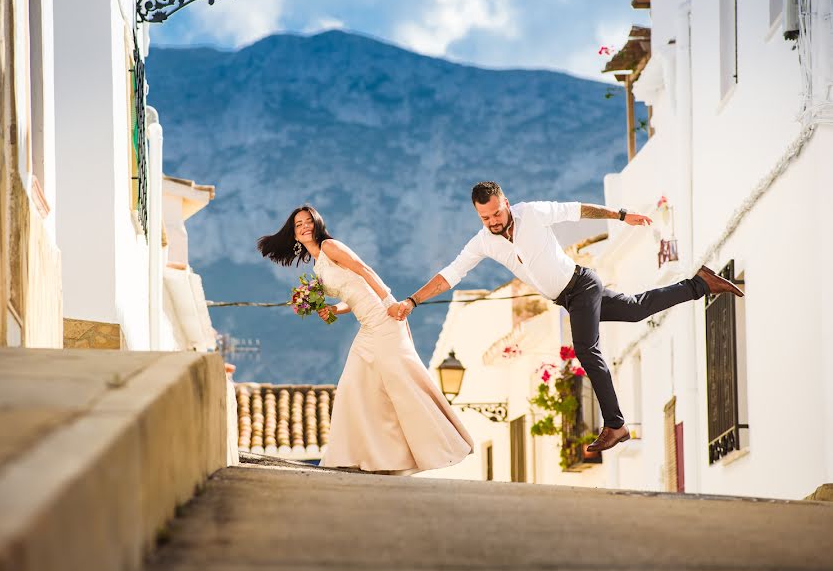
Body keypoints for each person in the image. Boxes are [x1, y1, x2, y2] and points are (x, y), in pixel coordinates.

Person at [393, 181, 743, 453]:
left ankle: (616, 425)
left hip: (581, 285)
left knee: (586, 349)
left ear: (506, 203)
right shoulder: (484, 242)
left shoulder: (532, 213)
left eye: (496, 214)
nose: (493, 222)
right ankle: (701, 284)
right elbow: (450, 274)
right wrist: (412, 300)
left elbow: (578, 210)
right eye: (485, 218)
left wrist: (621, 216)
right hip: (567, 297)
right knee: (637, 310)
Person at [257, 205, 473, 474]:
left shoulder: (331, 247)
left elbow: (364, 270)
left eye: (308, 221)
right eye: (298, 224)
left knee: (405, 385)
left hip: (385, 319)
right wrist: (334, 309)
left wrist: (390, 302)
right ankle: (360, 457)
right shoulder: (317, 267)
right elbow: (353, 295)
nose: (304, 226)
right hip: (367, 327)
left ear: (317, 223)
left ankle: (449, 444)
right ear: (294, 235)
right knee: (354, 387)